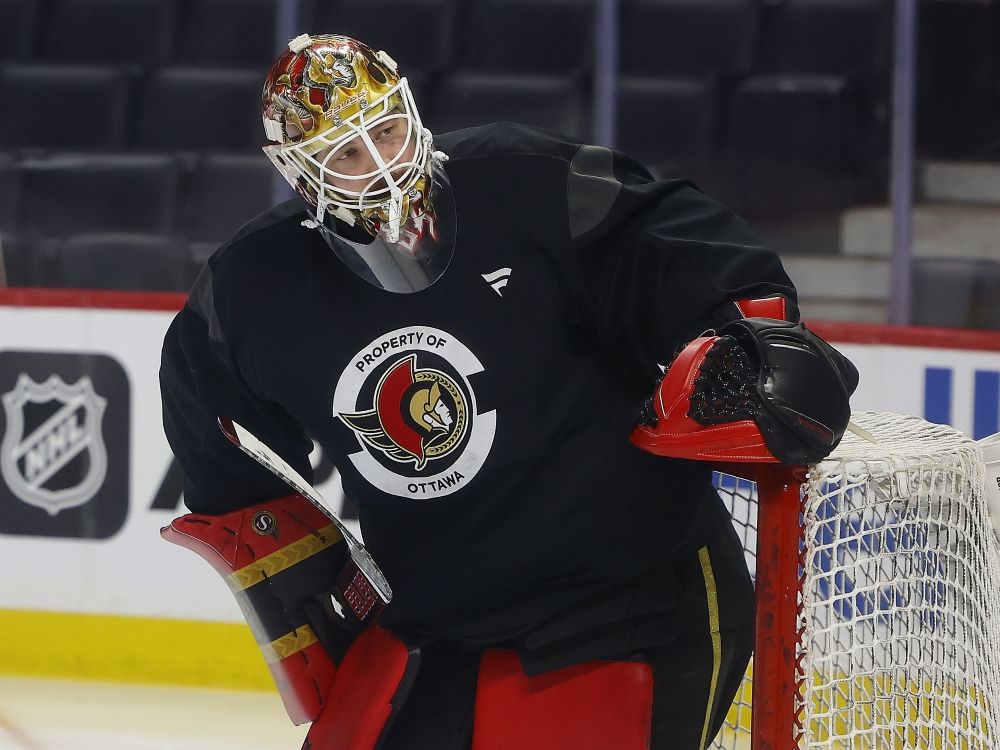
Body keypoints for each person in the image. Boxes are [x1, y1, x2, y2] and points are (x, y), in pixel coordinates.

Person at [159, 34, 857, 750]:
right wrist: (306, 591)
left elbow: (682, 243)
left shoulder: (528, 180)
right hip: (438, 620)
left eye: (390, 131)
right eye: (347, 154)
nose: (384, 167)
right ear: (299, 173)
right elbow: (208, 420)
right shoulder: (252, 290)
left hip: (636, 604)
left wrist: (754, 331)